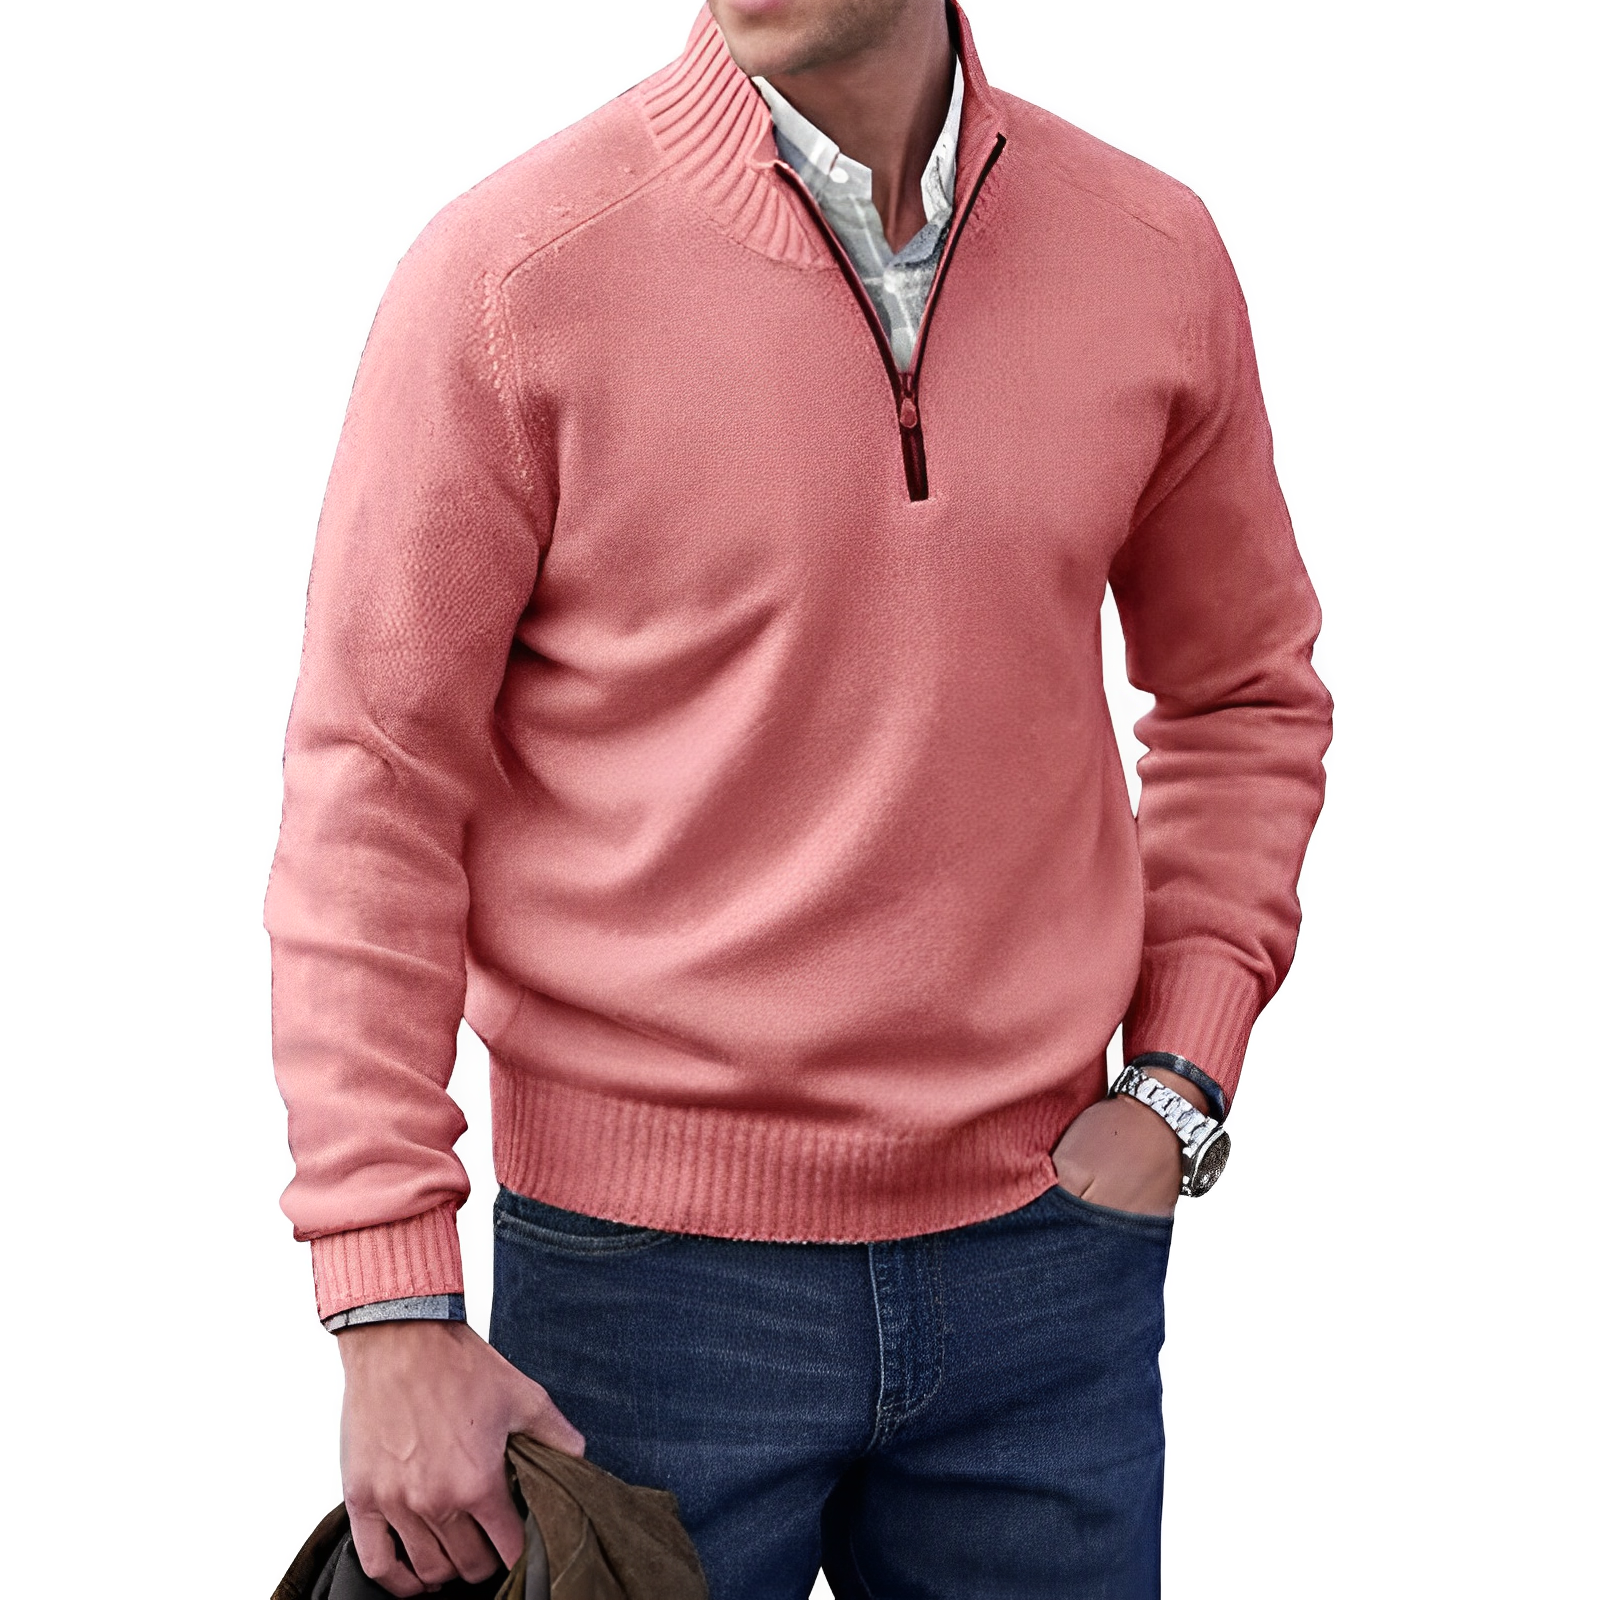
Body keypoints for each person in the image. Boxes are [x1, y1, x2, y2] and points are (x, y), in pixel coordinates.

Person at [265, 1, 1332, 1594]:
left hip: (1046, 1273)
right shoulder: (514, 276)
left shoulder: (1150, 254)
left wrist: (1179, 1076)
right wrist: (387, 1295)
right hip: (638, 1296)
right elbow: (373, 784)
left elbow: (1242, 692)